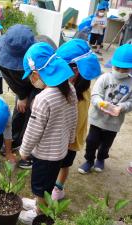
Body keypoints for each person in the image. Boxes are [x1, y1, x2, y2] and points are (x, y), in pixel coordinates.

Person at [19, 42, 77, 223]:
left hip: (44, 154)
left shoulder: (43, 98)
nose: (32, 80)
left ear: (37, 73)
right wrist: (71, 138)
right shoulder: (70, 88)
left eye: (32, 76)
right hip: (59, 151)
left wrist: (23, 151)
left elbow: (33, 131)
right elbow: (74, 117)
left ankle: (39, 213)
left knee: (40, 186)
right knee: (47, 183)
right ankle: (38, 203)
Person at [0, 24, 57, 169]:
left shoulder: (46, 48)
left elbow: (51, 77)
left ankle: (29, 153)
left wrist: (39, 95)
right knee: (19, 111)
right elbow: (7, 75)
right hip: (20, 85)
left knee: (34, 115)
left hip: (40, 83)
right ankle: (14, 140)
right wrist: (22, 96)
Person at [52, 38, 101, 200]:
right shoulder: (73, 86)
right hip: (62, 137)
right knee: (58, 164)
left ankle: (58, 189)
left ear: (76, 70)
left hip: (69, 140)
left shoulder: (79, 96)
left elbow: (76, 123)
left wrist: (64, 140)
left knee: (64, 164)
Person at [78, 44, 132, 174]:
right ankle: (89, 160)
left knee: (106, 144)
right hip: (98, 119)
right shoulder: (105, 78)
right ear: (112, 64)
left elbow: (131, 102)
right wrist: (101, 104)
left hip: (114, 122)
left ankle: (101, 159)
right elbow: (95, 94)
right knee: (91, 141)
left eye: (124, 69)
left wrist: (121, 107)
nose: (119, 71)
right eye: (117, 67)